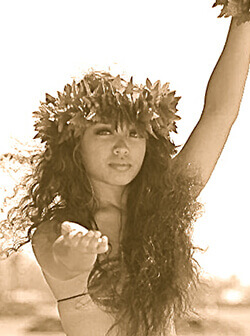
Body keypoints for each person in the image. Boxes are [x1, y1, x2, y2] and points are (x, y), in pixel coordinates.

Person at [1, 3, 250, 336]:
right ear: (75, 147)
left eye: (134, 133)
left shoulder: (164, 205)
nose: (122, 147)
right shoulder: (56, 229)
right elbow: (63, 258)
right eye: (104, 131)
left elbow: (220, 113)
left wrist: (243, 14)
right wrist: (79, 249)